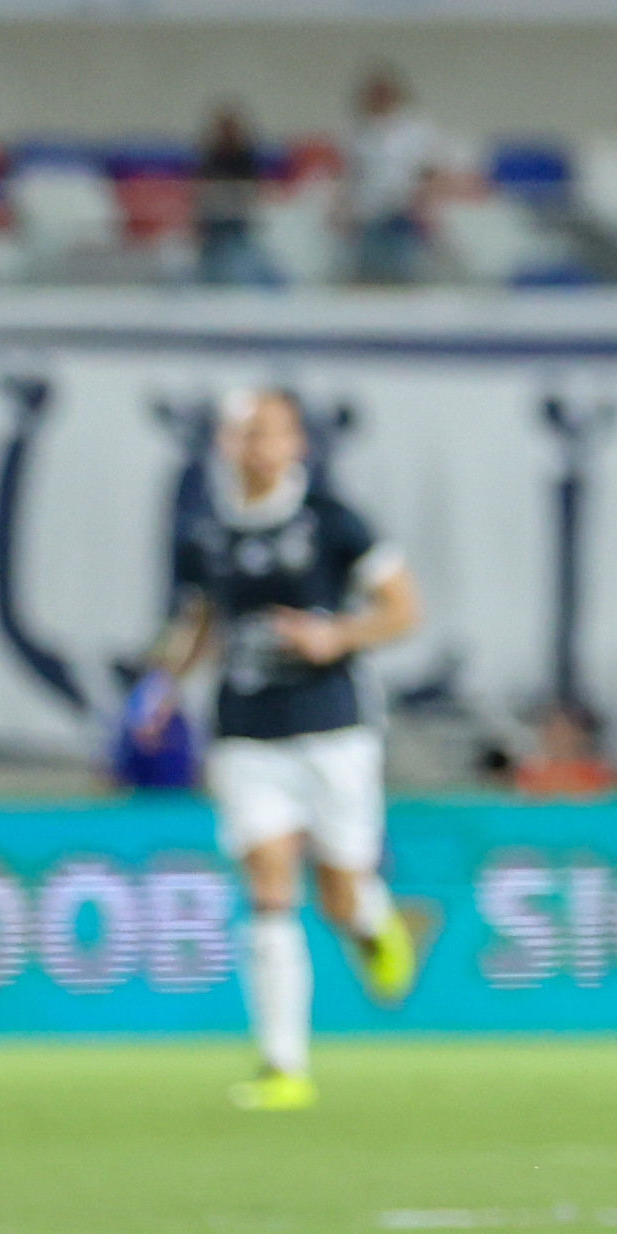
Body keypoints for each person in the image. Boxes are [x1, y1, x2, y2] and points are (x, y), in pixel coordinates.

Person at [134, 387, 428, 1112]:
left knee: (339, 891)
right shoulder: (203, 530)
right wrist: (162, 688)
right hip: (245, 730)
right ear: (226, 445)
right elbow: (201, 621)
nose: (256, 448)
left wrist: (337, 636)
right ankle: (283, 1065)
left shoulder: (332, 520)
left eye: (269, 433)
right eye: (243, 435)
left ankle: (377, 922)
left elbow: (402, 609)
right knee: (268, 884)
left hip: (332, 726)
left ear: (295, 443)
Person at [341, 66, 447, 285]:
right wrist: (346, 208)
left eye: (383, 94)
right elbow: (352, 174)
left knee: (405, 269)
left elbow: (430, 171)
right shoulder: (358, 131)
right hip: (368, 213)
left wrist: (424, 204)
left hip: (405, 211)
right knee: (366, 268)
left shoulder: (416, 129)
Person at [191, 104, 272, 288]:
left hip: (237, 227)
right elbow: (200, 191)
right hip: (213, 229)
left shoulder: (245, 159)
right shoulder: (210, 158)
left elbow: (252, 191)